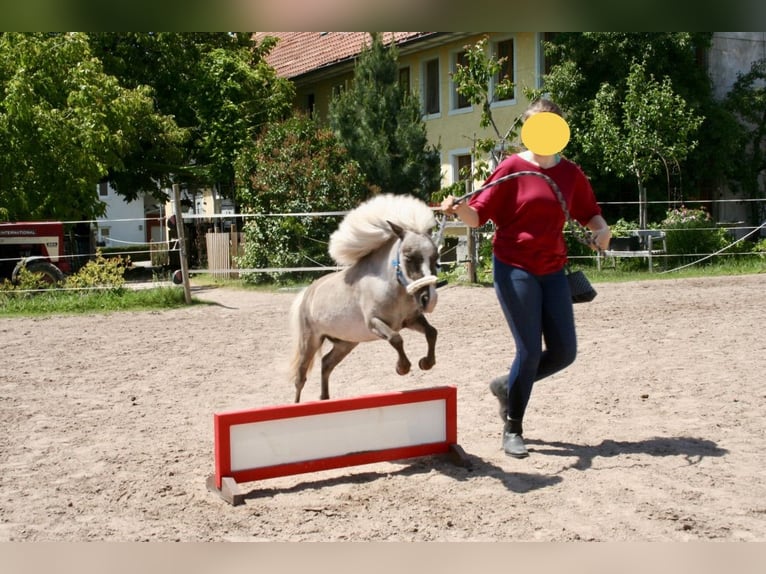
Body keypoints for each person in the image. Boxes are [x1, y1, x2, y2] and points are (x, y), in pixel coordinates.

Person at [440, 98, 611, 458]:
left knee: (564, 352)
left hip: (553, 270)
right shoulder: (511, 168)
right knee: (530, 350)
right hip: (514, 268)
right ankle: (513, 427)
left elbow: (591, 215)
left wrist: (602, 231)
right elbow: (477, 217)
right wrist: (459, 208)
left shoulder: (571, 174)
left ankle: (507, 385)